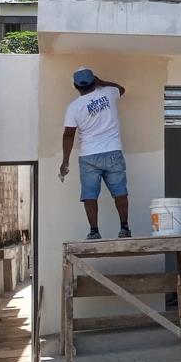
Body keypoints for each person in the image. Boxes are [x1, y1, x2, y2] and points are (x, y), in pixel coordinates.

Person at [59, 68, 130, 240]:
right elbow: (121, 89)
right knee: (120, 191)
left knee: (89, 194)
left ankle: (94, 231)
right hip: (113, 151)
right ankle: (124, 228)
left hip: (89, 155)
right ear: (94, 81)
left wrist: (65, 161)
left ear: (75, 86)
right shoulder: (109, 92)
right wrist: (102, 82)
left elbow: (68, 135)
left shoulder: (74, 107)